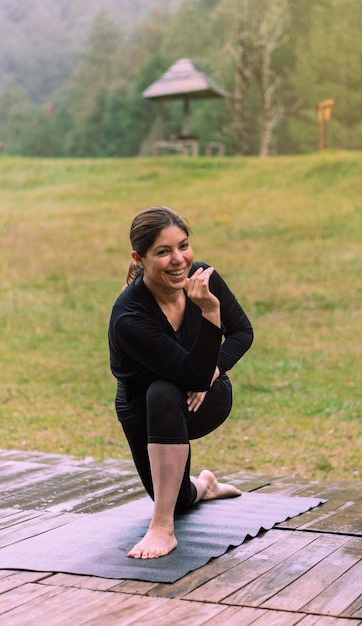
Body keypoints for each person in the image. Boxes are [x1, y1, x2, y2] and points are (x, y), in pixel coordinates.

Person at [108, 206, 253, 560]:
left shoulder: (202, 278)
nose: (178, 260)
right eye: (163, 251)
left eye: (183, 246)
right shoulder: (130, 317)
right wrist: (210, 314)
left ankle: (162, 528)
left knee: (166, 389)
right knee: (177, 497)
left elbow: (242, 332)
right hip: (143, 411)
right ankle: (205, 485)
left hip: (204, 399)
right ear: (139, 258)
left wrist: (214, 369)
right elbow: (188, 373)